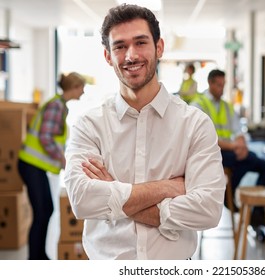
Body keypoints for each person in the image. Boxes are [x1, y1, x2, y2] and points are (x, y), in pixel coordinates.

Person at [63, 4, 225, 260]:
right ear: (108, 56)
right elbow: (83, 200)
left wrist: (113, 196)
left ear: (158, 47)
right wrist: (167, 188)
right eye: (119, 46)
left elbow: (208, 210)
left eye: (140, 42)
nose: (130, 55)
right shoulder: (89, 125)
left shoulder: (194, 124)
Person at [191, 69, 265, 239]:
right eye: (219, 85)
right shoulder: (198, 105)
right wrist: (235, 147)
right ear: (210, 83)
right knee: (243, 160)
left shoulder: (227, 106)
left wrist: (241, 144)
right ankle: (231, 200)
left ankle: (255, 212)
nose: (222, 89)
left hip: (232, 152)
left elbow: (238, 130)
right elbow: (207, 138)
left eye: (223, 85)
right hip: (210, 154)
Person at [18, 72, 86, 260]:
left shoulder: (60, 105)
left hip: (34, 166)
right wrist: (63, 160)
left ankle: (39, 255)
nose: (83, 92)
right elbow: (45, 137)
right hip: (30, 165)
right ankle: (35, 258)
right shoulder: (56, 106)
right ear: (74, 88)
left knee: (45, 210)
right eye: (82, 88)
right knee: (43, 211)